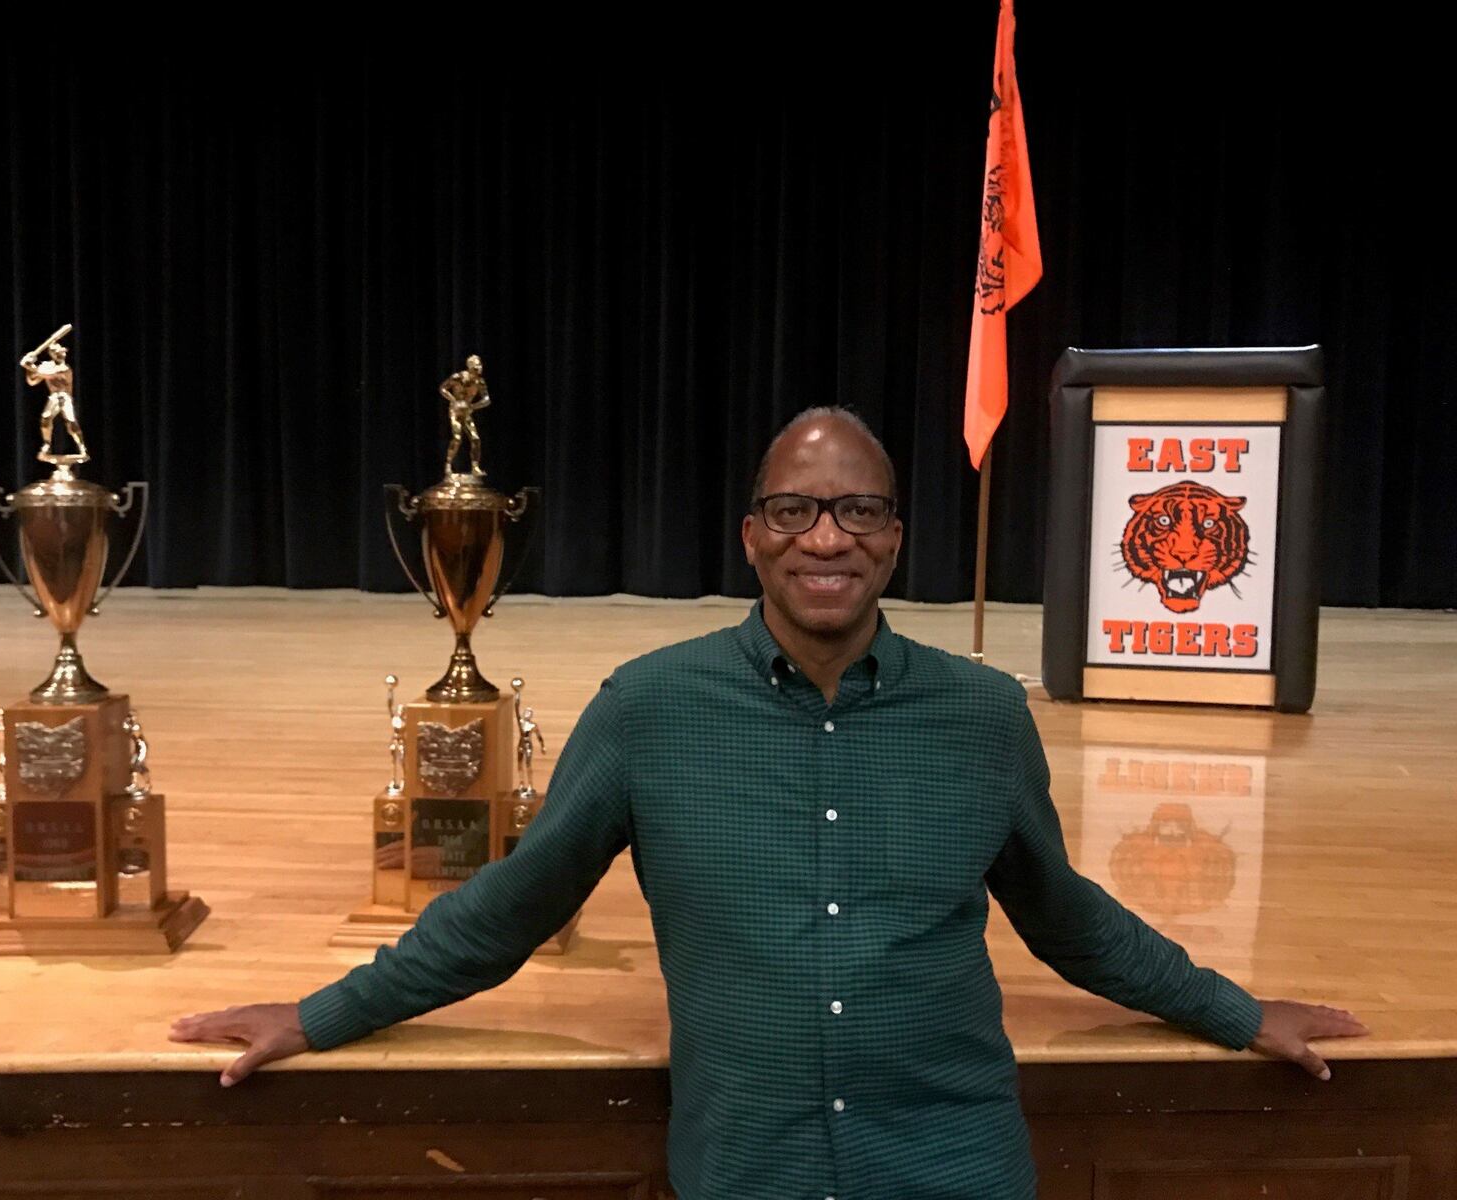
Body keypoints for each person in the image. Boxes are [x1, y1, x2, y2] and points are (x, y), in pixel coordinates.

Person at [172, 407, 1366, 1199]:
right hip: (749, 1175)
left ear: (895, 538)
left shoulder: (982, 715)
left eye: (857, 510)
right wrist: (322, 1014)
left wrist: (1233, 1008)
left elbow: (1067, 917)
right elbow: (512, 908)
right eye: (795, 509)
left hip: (953, 1168)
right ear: (752, 536)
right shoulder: (649, 709)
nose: (825, 537)